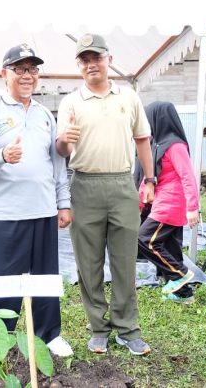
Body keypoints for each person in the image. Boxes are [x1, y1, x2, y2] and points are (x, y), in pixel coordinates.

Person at [0, 44, 73, 357]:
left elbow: (57, 164)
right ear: (4, 74)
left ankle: (49, 334)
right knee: (1, 281)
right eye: (20, 69)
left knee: (45, 278)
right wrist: (1, 155)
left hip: (41, 211)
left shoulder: (44, 116)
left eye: (32, 69)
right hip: (3, 214)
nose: (27, 76)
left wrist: (63, 203)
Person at [56, 33, 155, 356]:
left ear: (109, 59)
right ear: (79, 66)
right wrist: (65, 140)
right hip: (83, 185)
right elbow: (61, 148)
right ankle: (98, 328)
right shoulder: (70, 102)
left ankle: (128, 329)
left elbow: (142, 139)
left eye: (96, 57)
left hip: (122, 185)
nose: (91, 64)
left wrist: (150, 179)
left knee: (125, 260)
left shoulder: (128, 97)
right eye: (84, 60)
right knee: (89, 262)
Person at [135, 102, 200, 304]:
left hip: (171, 202)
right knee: (171, 248)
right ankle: (184, 294)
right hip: (163, 201)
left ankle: (180, 274)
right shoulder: (157, 145)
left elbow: (188, 176)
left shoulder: (175, 145)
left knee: (146, 238)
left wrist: (192, 208)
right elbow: (148, 179)